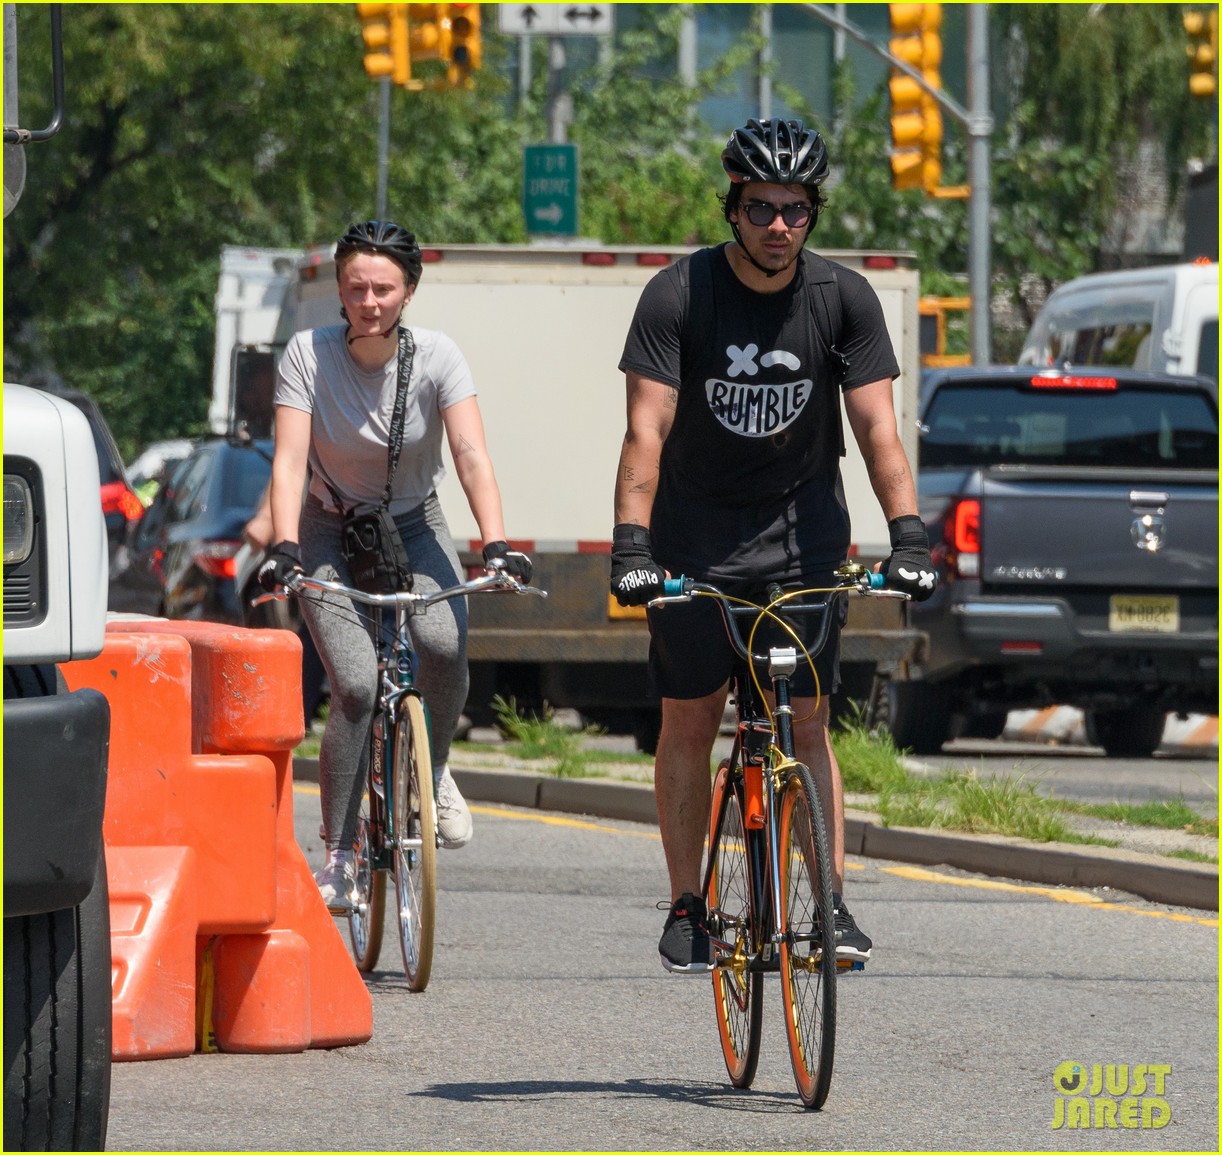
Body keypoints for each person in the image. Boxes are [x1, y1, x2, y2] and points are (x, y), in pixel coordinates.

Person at [610, 118, 937, 973]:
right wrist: (632, 544)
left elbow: (877, 431)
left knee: (808, 720)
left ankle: (828, 901)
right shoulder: (678, 296)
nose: (778, 226)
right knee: (691, 719)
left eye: (795, 209)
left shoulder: (844, 299)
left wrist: (910, 534)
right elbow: (646, 430)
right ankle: (689, 904)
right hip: (692, 544)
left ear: (812, 212)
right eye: (761, 209)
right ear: (733, 209)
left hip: (802, 542)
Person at [258, 220, 531, 913]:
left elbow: (470, 454)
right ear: (340, 292)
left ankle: (431, 770)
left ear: (408, 290)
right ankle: (341, 857)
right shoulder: (307, 354)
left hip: (414, 523)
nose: (369, 300)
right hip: (327, 528)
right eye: (356, 287)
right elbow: (289, 459)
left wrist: (495, 543)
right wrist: (286, 545)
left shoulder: (438, 357)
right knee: (352, 685)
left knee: (441, 642)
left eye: (383, 287)